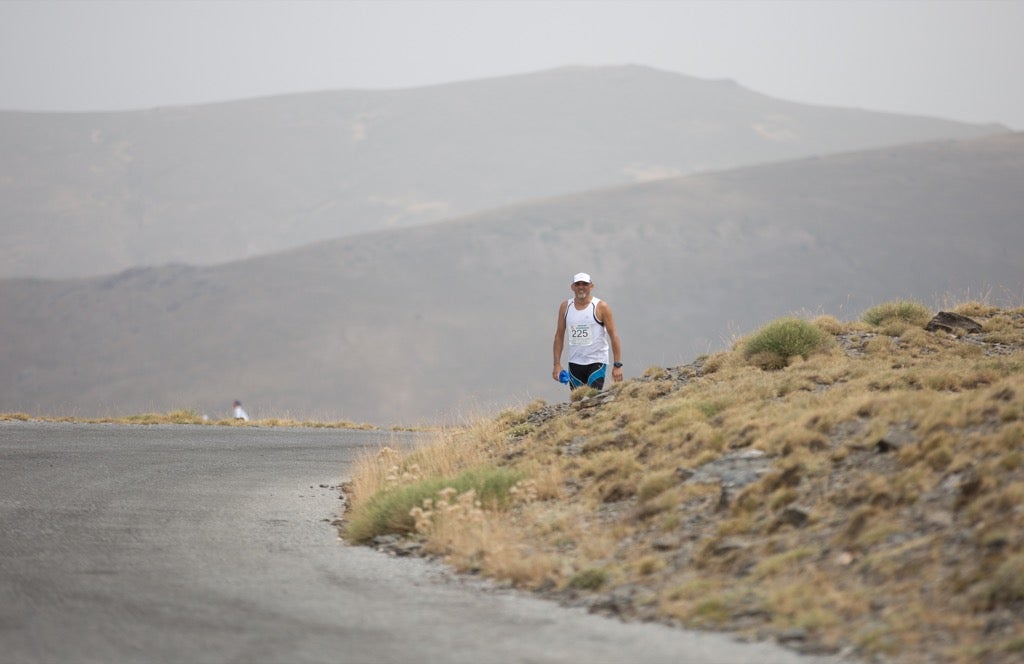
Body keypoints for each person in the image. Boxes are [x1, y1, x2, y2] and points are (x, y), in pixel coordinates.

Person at [552, 272, 623, 391]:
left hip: (596, 360)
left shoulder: (601, 307)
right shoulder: (565, 307)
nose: (581, 287)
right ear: (572, 287)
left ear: (591, 286)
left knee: (592, 398)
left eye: (584, 284)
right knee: (578, 402)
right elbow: (559, 336)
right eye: (578, 284)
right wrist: (557, 364)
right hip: (575, 362)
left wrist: (617, 365)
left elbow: (614, 336)